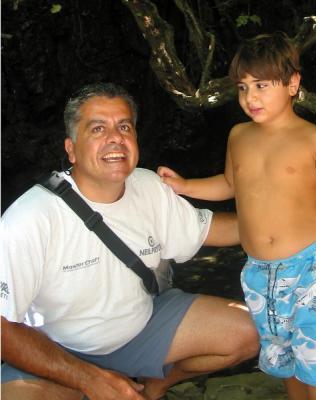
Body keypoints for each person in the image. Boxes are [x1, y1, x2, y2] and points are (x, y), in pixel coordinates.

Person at [0, 82, 260, 400]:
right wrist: (89, 379)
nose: (115, 138)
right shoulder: (30, 218)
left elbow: (213, 230)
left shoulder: (148, 186)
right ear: (71, 148)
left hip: (140, 329)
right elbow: (3, 328)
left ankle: (153, 386)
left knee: (248, 330)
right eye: (98, 128)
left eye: (124, 126)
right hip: (57, 350)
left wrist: (292, 221)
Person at [158, 31, 316, 400]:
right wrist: (186, 186)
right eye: (243, 87)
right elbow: (230, 184)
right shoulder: (239, 136)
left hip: (312, 267)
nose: (250, 97)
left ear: (293, 83)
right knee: (285, 358)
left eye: (262, 85)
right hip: (258, 274)